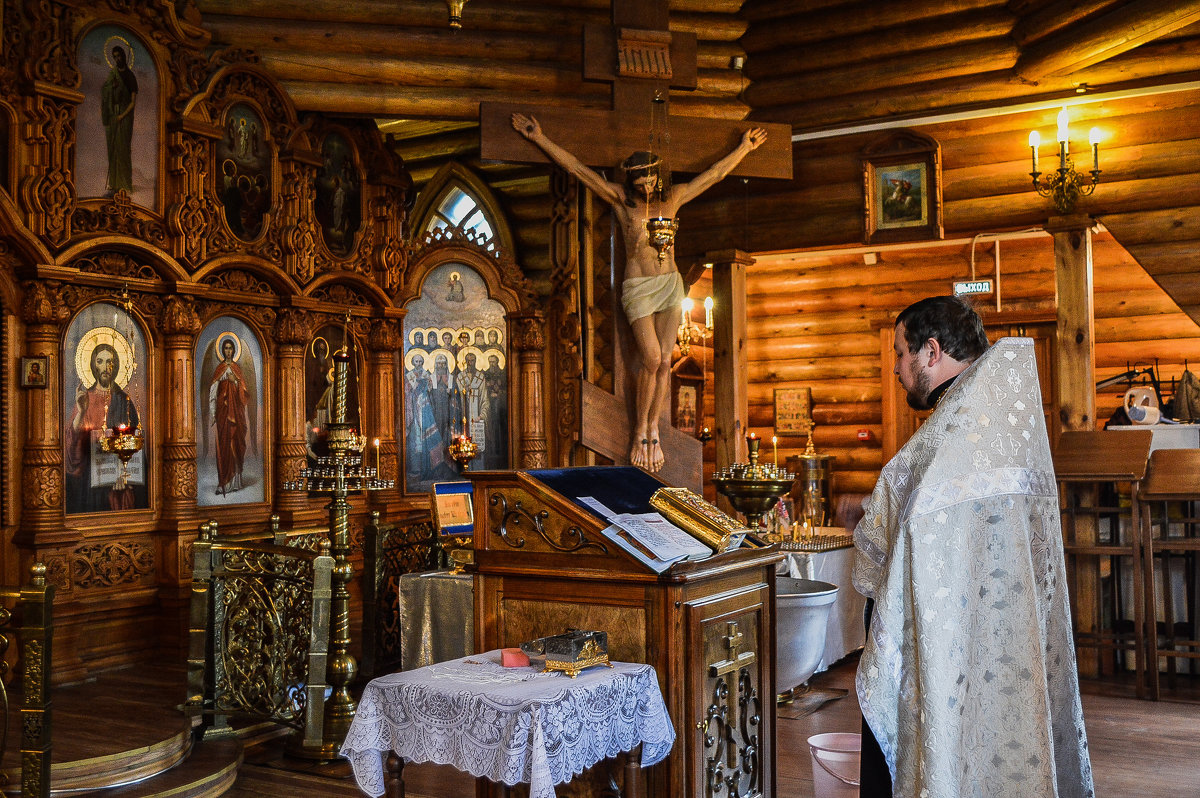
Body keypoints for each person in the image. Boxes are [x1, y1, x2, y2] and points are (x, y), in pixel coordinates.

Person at [853, 296, 1094, 797]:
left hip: (954, 641)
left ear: (932, 352)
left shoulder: (953, 437)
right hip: (1004, 637)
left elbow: (903, 527)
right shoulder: (994, 425)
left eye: (900, 354)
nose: (896, 369)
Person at [512, 112, 766, 472]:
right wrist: (539, 137)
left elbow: (714, 175)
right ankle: (637, 432)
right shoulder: (621, 201)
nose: (646, 186)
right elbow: (579, 170)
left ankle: (652, 429)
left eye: (649, 179)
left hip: (670, 284)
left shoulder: (673, 198)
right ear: (630, 181)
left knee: (665, 360)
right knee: (650, 357)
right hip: (638, 288)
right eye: (640, 181)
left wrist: (744, 148)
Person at [65, 343, 141, 512]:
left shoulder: (124, 401)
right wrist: (82, 411)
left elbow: (136, 442)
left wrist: (125, 474)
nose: (105, 367)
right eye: (100, 361)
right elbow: (71, 445)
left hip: (119, 483)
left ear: (116, 366)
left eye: (110, 362)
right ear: (93, 365)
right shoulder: (85, 399)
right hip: (90, 481)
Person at [208, 337, 249, 496]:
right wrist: (213, 411)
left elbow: (244, 393)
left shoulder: (237, 369)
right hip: (224, 412)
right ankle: (223, 481)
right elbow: (213, 390)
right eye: (225, 348)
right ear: (222, 351)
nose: (228, 351)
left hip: (236, 414)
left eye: (230, 348)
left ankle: (236, 481)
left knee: (236, 443)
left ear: (234, 350)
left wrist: (236, 382)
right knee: (224, 445)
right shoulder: (219, 369)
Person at [100, 45, 137, 196]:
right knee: (113, 148)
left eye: (119, 56)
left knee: (123, 149)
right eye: (114, 57)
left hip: (125, 116)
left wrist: (123, 115)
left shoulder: (130, 77)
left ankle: (125, 183)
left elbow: (132, 101)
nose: (117, 59)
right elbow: (105, 90)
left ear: (123, 56)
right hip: (113, 114)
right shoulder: (113, 74)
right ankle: (114, 183)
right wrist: (112, 88)